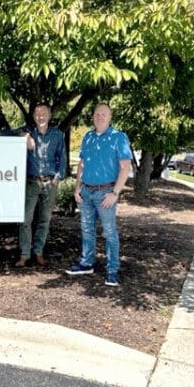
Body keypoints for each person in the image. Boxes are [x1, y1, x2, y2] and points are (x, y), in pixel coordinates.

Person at [66, 104, 132, 286]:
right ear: (93, 117)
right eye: (96, 114)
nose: (99, 117)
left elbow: (125, 167)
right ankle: (86, 263)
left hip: (105, 193)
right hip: (86, 192)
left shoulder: (119, 137)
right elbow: (82, 164)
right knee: (86, 229)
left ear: (110, 117)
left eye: (104, 114)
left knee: (109, 232)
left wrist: (115, 193)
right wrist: (77, 188)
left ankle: (112, 270)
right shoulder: (88, 137)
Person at [15, 104, 67, 267]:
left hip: (50, 182)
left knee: (45, 219)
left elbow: (62, 158)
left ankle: (38, 252)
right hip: (31, 182)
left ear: (50, 115)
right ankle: (25, 254)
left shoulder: (57, 135)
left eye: (44, 113)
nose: (40, 116)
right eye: (37, 114)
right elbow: (5, 132)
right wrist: (23, 135)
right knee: (25, 219)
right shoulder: (29, 131)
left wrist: (58, 178)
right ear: (34, 116)